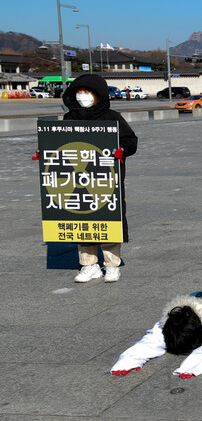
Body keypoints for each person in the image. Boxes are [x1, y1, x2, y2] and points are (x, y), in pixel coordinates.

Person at [61, 74, 138, 284]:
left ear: (98, 95)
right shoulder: (69, 118)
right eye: (79, 92)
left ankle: (111, 265)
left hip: (105, 179)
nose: (83, 96)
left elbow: (131, 141)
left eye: (87, 92)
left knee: (108, 218)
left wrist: (122, 150)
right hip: (76, 179)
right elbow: (59, 144)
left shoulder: (112, 117)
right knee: (81, 219)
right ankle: (89, 265)